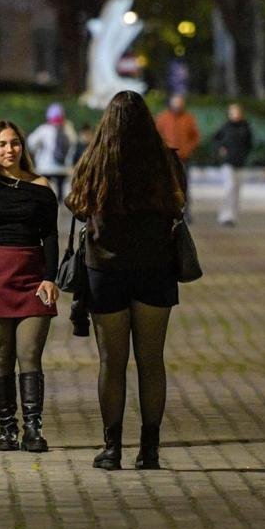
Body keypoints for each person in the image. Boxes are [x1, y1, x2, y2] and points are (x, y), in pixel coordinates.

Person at [67, 91, 186, 471]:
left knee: (111, 362)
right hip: (155, 268)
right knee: (151, 361)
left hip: (105, 270)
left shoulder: (96, 159)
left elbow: (76, 204)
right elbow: (179, 204)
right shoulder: (165, 160)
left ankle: (112, 448)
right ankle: (149, 449)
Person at [0, 120, 61, 454]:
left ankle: (33, 430)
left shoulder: (41, 187)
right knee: (2, 357)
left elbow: (51, 236)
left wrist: (50, 277)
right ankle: (7, 429)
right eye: (2, 144)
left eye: (15, 143)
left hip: (33, 279)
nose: (10, 150)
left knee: (30, 354)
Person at [155, 93, 201, 221]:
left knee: (184, 186)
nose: (178, 106)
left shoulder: (189, 118)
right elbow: (155, 135)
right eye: (176, 103)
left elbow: (195, 137)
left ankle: (185, 212)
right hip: (167, 159)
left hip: (184, 158)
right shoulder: (163, 118)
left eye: (180, 103)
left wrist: (188, 149)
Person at [210, 103, 253, 226]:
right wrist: (220, 149)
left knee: (237, 190)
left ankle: (233, 216)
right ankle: (225, 215)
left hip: (240, 163)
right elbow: (215, 139)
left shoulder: (246, 127)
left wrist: (245, 155)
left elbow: (249, 143)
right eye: (233, 112)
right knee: (229, 187)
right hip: (227, 162)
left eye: (238, 112)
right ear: (229, 114)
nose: (236, 115)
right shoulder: (225, 126)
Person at [25, 103, 79, 199]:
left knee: (44, 194)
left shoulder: (44, 129)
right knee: (61, 196)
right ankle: (60, 204)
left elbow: (31, 143)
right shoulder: (68, 129)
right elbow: (74, 144)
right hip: (64, 169)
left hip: (45, 168)